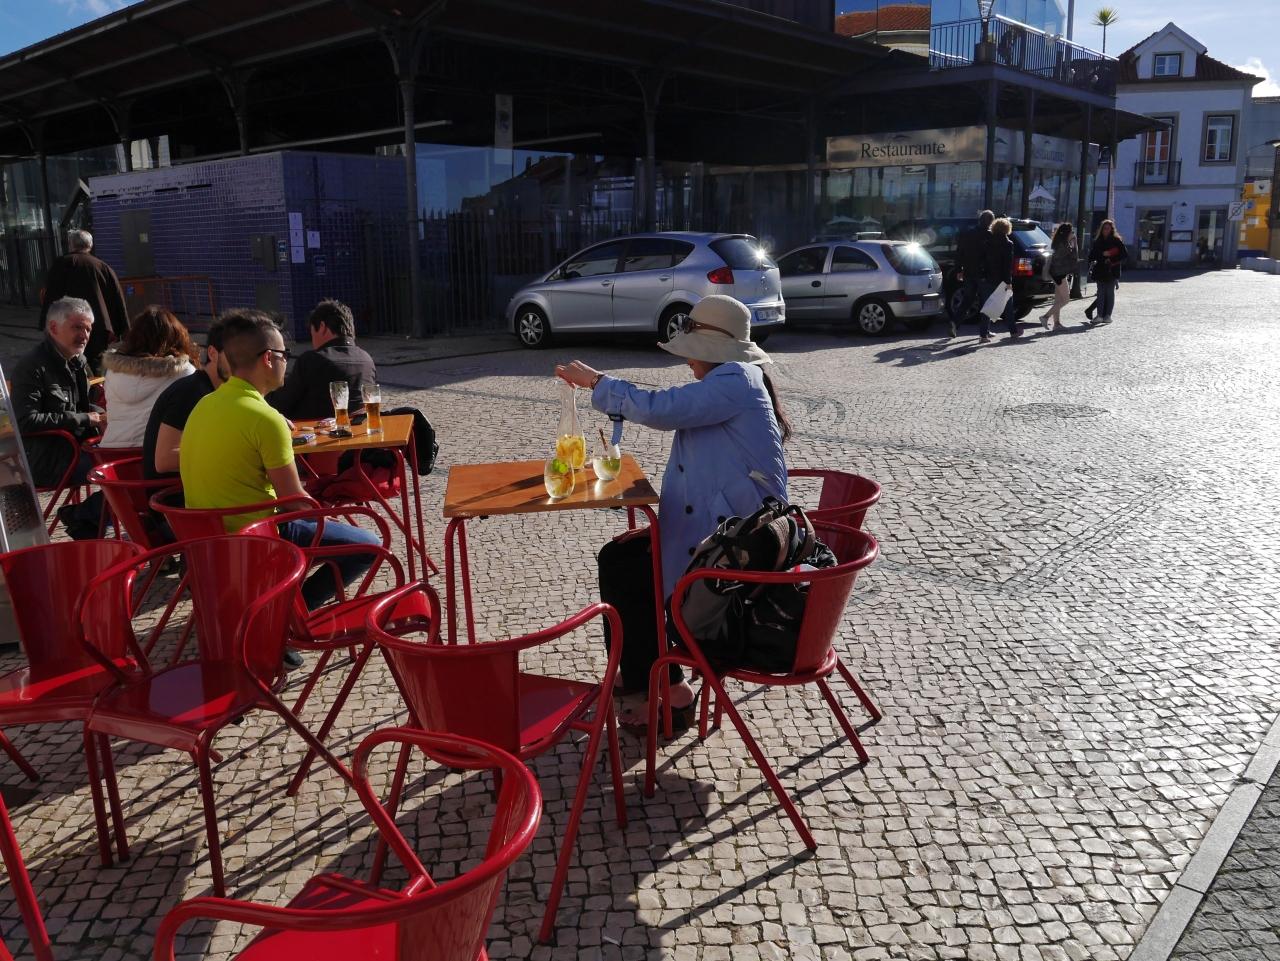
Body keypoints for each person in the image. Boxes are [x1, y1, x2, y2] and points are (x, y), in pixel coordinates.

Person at [555, 295, 789, 728]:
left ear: (715, 350)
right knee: (622, 558)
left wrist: (598, 383)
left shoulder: (736, 379)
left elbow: (663, 408)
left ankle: (666, 690)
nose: (687, 360)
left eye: (692, 350)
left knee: (629, 566)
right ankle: (651, 678)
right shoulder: (738, 378)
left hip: (739, 554)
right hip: (726, 534)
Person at [180, 310, 380, 618]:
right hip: (257, 537)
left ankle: (276, 610)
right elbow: (295, 503)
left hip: (207, 543)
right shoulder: (266, 419)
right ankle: (286, 616)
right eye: (285, 355)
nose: (288, 362)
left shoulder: (204, 405)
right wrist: (328, 513)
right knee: (369, 545)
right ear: (268, 358)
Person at [11, 296, 106, 539]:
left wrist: (102, 414)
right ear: (54, 328)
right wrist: (85, 418)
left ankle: (85, 517)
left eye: (88, 329)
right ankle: (85, 516)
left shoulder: (77, 361)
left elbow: (81, 407)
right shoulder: (32, 366)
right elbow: (25, 421)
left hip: (77, 449)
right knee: (123, 475)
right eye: (77, 327)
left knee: (132, 464)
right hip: (49, 460)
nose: (84, 335)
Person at [98, 307, 197, 451]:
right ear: (175, 339)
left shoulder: (112, 371)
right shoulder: (184, 372)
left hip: (110, 453)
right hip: (158, 454)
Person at [142, 318, 229, 479]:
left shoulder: (213, 390)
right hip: (172, 491)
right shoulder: (192, 392)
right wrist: (234, 453)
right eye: (235, 354)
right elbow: (164, 460)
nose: (242, 363)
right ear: (212, 353)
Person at [268, 299, 377, 421]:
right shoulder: (367, 360)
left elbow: (279, 404)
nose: (313, 341)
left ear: (322, 327)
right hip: (357, 427)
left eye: (312, 333)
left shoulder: (312, 360)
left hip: (313, 429)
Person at [40, 230, 129, 374]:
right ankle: (95, 386)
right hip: (97, 327)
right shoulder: (102, 267)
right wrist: (119, 328)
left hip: (67, 325)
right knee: (96, 364)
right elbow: (116, 298)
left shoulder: (61, 264)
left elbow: (51, 296)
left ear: (71, 244)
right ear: (90, 245)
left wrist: (47, 322)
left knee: (68, 362)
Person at [951, 209, 995, 338]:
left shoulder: (967, 234)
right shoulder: (990, 236)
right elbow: (992, 257)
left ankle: (954, 323)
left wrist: (959, 269)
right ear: (990, 222)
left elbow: (959, 253)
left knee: (967, 300)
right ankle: (985, 331)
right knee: (986, 302)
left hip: (969, 272)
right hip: (984, 274)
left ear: (979, 220)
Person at [979, 217, 1018, 344]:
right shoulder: (1008, 244)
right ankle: (1013, 332)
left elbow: (982, 261)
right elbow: (1007, 265)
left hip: (987, 278)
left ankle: (983, 335)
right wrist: (1008, 282)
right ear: (1007, 229)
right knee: (1008, 307)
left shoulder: (987, 242)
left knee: (987, 306)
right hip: (1002, 280)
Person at [1039, 222, 1078, 333]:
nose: (1073, 234)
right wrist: (1075, 243)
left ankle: (1056, 324)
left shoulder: (1059, 243)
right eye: (1071, 232)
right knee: (1066, 300)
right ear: (1067, 233)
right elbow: (1074, 257)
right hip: (1059, 275)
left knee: (1058, 300)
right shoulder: (1063, 245)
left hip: (1056, 273)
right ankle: (1045, 317)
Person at [1087, 220, 1127, 326]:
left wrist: (1111, 258)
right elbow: (1092, 255)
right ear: (1101, 229)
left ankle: (1108, 316)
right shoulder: (1098, 241)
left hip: (1111, 270)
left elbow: (1124, 254)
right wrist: (1102, 254)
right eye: (1104, 228)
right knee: (1100, 293)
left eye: (1108, 228)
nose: (1106, 230)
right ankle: (1099, 315)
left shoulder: (1116, 240)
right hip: (1100, 270)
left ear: (1112, 229)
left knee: (1109, 293)